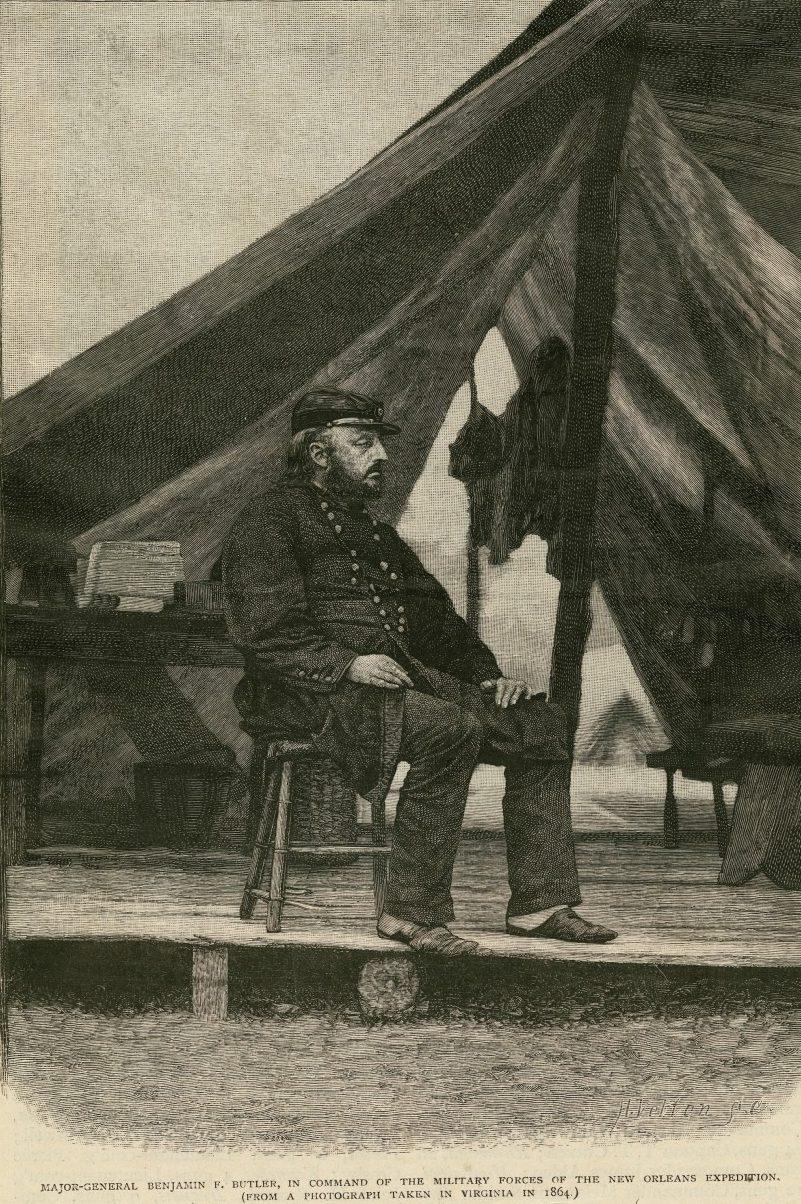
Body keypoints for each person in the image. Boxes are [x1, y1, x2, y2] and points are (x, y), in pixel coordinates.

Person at [222, 387, 617, 954]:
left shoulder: (373, 532)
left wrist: (485, 675)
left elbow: (436, 621)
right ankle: (409, 912)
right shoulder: (268, 520)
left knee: (542, 727)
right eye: (364, 443)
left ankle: (540, 903)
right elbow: (264, 631)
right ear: (318, 453)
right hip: (306, 694)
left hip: (388, 686)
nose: (381, 456)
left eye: (379, 444)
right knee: (450, 730)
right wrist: (348, 664)